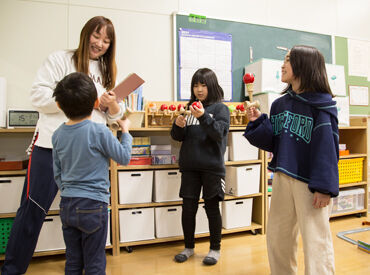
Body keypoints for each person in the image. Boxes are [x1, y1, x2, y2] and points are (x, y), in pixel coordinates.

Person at [1, 16, 124, 275]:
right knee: (33, 209)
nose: (100, 43)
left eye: (106, 40)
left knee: (90, 214)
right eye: (96, 36)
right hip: (52, 146)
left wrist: (112, 105)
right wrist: (82, 100)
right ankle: (12, 269)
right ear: (85, 34)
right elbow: (38, 95)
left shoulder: (106, 69)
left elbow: (114, 115)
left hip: (91, 154)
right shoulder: (60, 59)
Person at [244, 45, 339, 275]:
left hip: (311, 183)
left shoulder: (322, 106)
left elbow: (327, 151)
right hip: (282, 177)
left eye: (288, 60)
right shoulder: (280, 104)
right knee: (278, 238)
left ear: (304, 67)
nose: (282, 65)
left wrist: (324, 188)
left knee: (315, 241)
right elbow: (274, 142)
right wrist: (258, 122)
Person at [52, 72, 132, 274]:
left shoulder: (57, 135)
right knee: (95, 262)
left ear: (59, 105)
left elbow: (57, 172)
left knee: (73, 261)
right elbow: (123, 157)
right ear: (95, 102)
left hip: (67, 204)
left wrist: (69, 190)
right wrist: (127, 133)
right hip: (93, 204)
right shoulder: (99, 131)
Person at [171, 68, 230, 265]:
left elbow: (219, 133)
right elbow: (178, 137)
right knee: (188, 208)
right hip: (189, 167)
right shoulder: (189, 107)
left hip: (212, 168)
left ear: (211, 85)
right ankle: (188, 247)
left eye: (203, 85)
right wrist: (178, 126)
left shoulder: (220, 109)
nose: (199, 89)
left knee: (212, 208)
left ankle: (215, 249)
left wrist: (204, 116)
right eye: (196, 85)